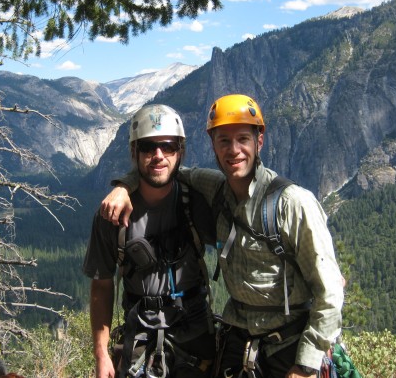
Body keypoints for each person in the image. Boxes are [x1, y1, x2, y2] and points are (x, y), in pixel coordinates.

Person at [100, 94, 344, 378]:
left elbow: (329, 292)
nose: (234, 150)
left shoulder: (293, 203)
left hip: (288, 347)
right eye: (224, 141)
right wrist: (123, 185)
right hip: (237, 345)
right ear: (213, 145)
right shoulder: (216, 189)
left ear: (259, 141)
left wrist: (305, 365)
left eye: (243, 139)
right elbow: (166, 169)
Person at [83, 104, 216, 378]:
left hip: (196, 338)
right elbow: (101, 285)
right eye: (147, 147)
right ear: (134, 153)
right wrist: (101, 354)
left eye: (167, 146)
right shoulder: (111, 214)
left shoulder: (197, 201)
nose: (158, 156)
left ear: (180, 152)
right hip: (139, 340)